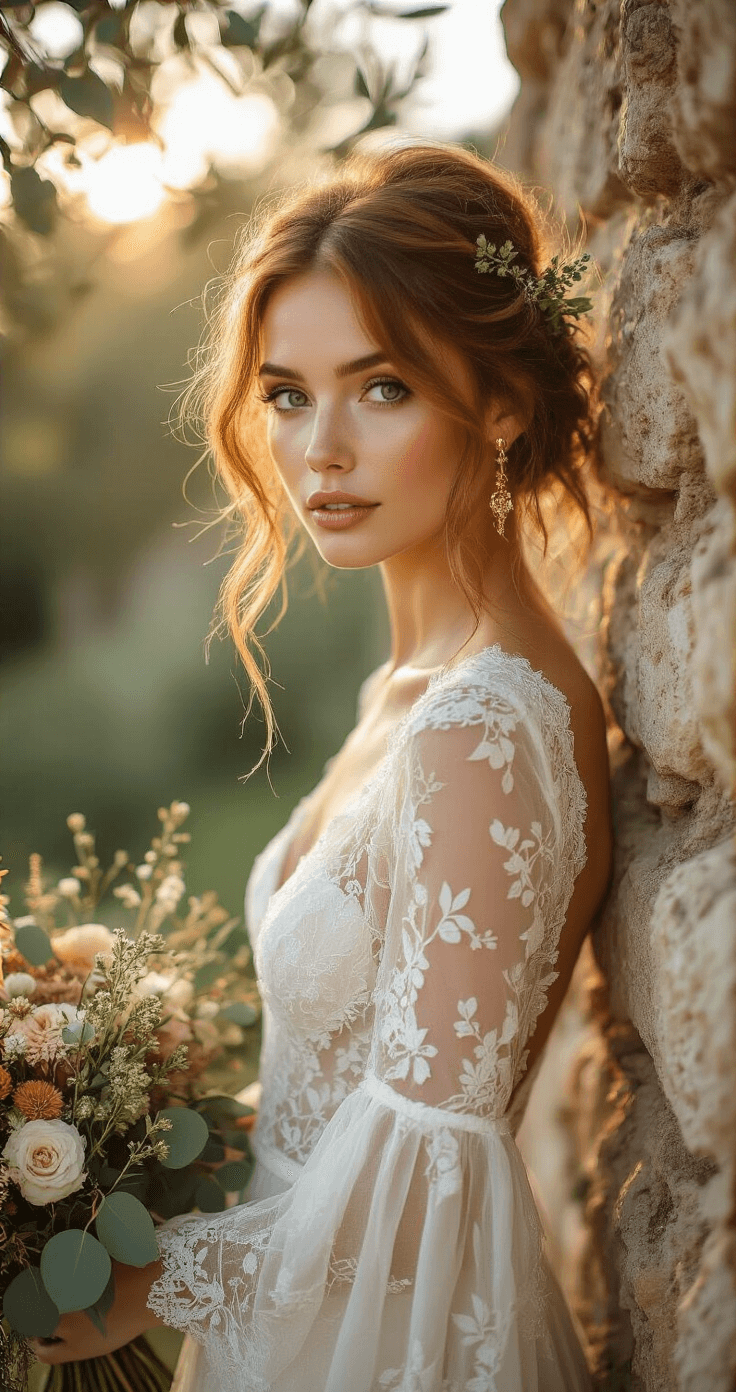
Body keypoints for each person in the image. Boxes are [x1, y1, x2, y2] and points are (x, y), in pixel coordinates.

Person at [33, 142, 612, 1390]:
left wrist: (131, 1285)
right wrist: (109, 1162)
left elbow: (425, 1185)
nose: (320, 448)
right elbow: (350, 1094)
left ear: (500, 402)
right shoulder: (406, 695)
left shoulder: (479, 727)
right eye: (288, 395)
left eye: (382, 387)